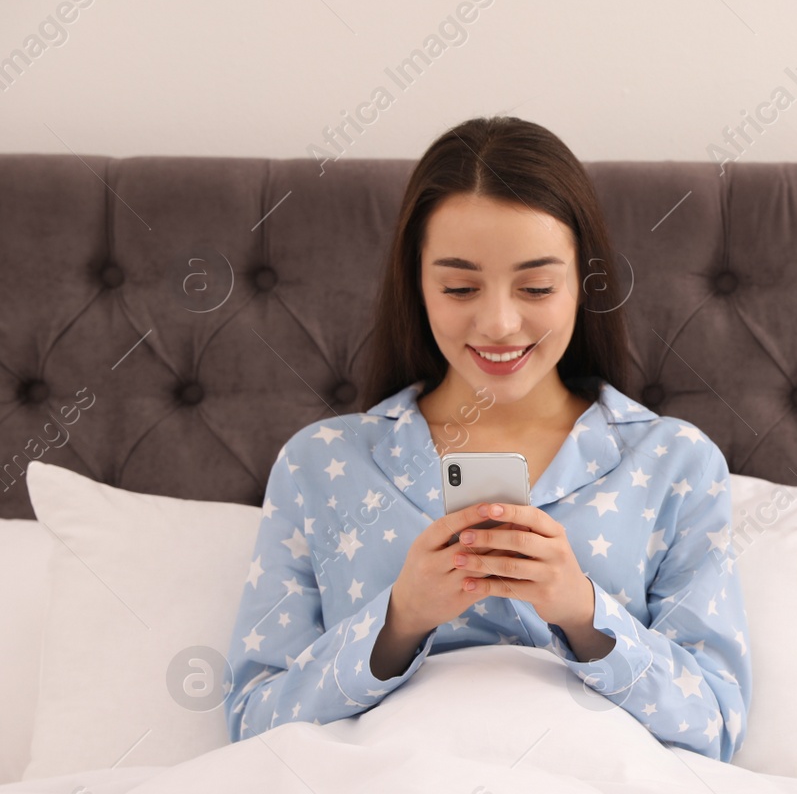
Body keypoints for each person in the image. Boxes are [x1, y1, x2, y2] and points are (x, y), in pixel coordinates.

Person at [223, 116, 750, 761]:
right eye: (460, 287)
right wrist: (399, 622)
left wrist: (584, 615)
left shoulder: (675, 463)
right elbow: (253, 728)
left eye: (536, 287)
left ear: (583, 283)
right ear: (416, 285)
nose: (499, 323)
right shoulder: (321, 463)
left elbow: (714, 727)